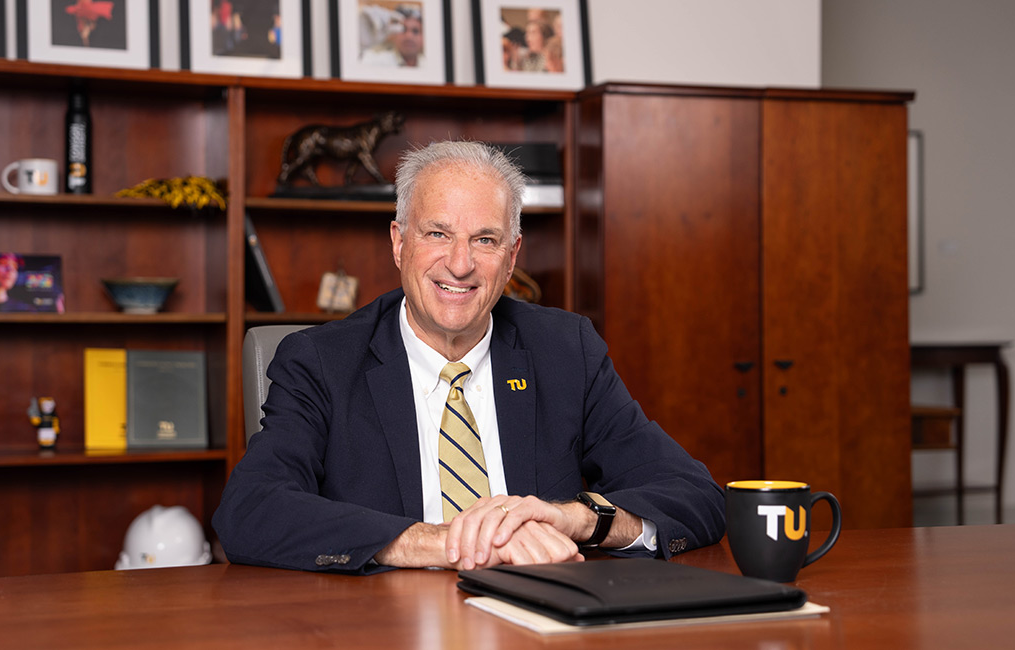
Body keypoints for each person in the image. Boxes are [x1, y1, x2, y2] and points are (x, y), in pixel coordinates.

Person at [213, 141, 725, 574]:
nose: (460, 265)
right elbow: (250, 510)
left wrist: (578, 518)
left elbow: (695, 495)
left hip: (538, 624)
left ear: (512, 256)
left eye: (485, 239)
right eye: (437, 233)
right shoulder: (320, 362)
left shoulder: (567, 350)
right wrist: (447, 543)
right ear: (399, 242)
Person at [360, 5, 425, 68]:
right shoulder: (374, 61)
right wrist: (360, 44)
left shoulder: (431, 67)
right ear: (394, 33)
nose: (409, 36)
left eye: (415, 31)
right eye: (403, 29)